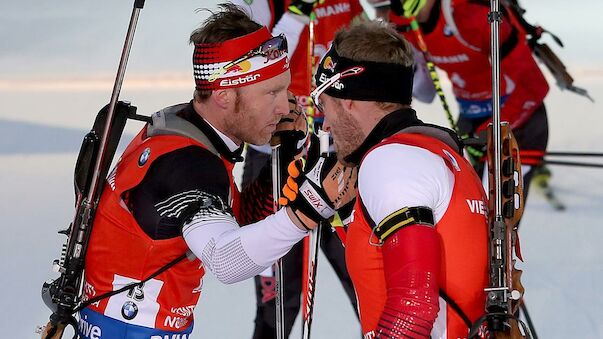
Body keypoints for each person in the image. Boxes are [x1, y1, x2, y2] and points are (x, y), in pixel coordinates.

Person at [74, 4, 356, 338]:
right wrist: (312, 207)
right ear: (223, 95)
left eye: (284, 89)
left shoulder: (188, 129)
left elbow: (239, 221)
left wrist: (281, 166)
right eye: (271, 93)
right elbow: (226, 259)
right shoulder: (188, 165)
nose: (286, 106)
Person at [281, 20, 491, 338]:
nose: (324, 127)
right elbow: (385, 266)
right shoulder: (434, 153)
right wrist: (336, 210)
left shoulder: (390, 161)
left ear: (348, 99)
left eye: (325, 107)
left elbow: (414, 307)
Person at [232, 0, 364, 337]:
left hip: (335, 158)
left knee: (363, 281)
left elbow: (369, 62)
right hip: (274, 160)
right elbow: (246, 68)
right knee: (278, 300)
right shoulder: (262, 5)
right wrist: (293, 18)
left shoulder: (344, 4)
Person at [388, 0, 549, 198]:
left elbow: (534, 87)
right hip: (470, 121)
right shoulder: (402, 21)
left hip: (519, 123)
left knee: (494, 223)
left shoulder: (471, 16)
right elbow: (425, 92)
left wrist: (488, 132)